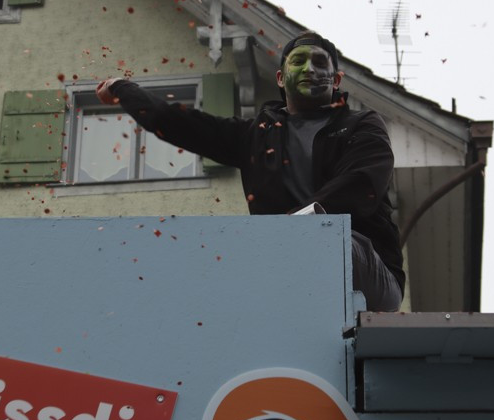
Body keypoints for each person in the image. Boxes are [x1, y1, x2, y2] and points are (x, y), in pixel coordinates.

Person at [97, 32, 403, 311]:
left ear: (336, 80)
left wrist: (299, 224)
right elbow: (179, 123)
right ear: (281, 78)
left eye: (320, 63)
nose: (310, 69)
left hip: (364, 271)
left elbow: (362, 183)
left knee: (334, 244)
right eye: (300, 61)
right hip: (284, 268)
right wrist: (124, 89)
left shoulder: (361, 124)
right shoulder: (255, 137)